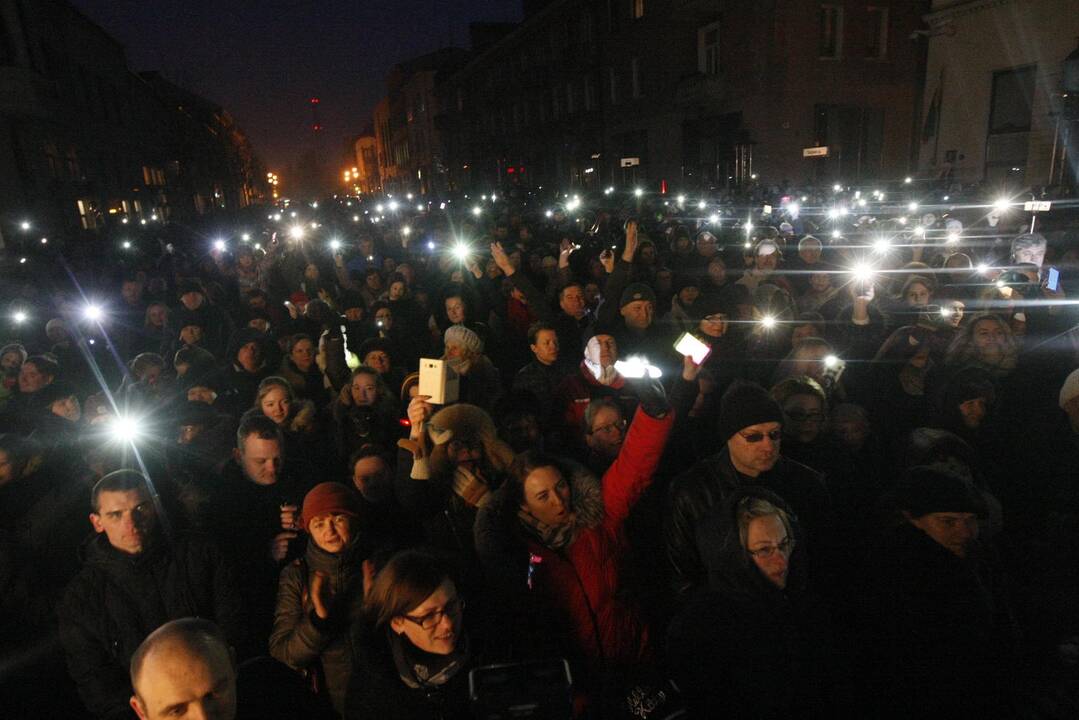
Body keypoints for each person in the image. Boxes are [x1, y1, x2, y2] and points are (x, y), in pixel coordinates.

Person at [474, 376, 673, 689]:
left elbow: (634, 468)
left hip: (635, 661)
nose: (558, 500)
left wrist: (653, 415)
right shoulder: (519, 555)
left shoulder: (597, 516)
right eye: (543, 496)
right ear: (523, 507)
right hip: (579, 682)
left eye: (561, 487)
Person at [58, 470, 245, 720]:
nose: (131, 523)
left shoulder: (200, 555)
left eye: (140, 508)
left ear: (154, 505)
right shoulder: (81, 600)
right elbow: (98, 685)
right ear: (97, 522)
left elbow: (234, 626)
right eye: (116, 514)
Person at [857, 466, 1019, 718]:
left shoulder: (982, 556)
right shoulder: (899, 570)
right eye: (948, 521)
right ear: (913, 518)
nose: (964, 532)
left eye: (970, 521)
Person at [667, 488, 844, 716]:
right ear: (734, 556)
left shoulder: (805, 605)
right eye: (764, 550)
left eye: (784, 544)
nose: (781, 562)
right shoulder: (700, 628)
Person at [665, 380, 832, 596]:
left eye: (774, 434)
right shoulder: (692, 490)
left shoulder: (806, 484)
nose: (768, 446)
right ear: (729, 436)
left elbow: (823, 557)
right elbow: (683, 572)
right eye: (754, 436)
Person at [270, 483, 374, 715]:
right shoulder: (297, 576)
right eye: (318, 523)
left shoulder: (374, 564)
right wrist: (319, 621)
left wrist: (377, 610)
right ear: (309, 529)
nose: (329, 530)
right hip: (331, 706)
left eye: (338, 519)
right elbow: (283, 654)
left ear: (353, 520)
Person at [344, 550, 484, 720]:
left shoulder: (487, 648)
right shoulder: (374, 684)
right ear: (397, 622)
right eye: (429, 616)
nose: (447, 624)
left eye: (451, 606)